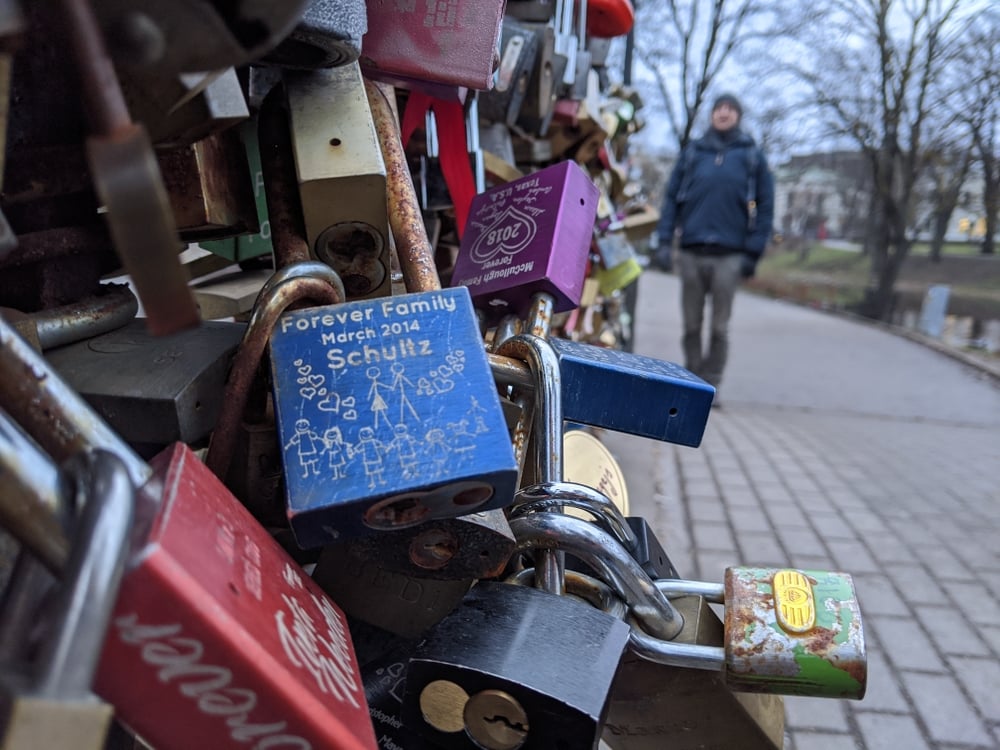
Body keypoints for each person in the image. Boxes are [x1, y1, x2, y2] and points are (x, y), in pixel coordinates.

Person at [651, 93, 774, 395]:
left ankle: (712, 383)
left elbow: (766, 206)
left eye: (730, 109)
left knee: (719, 328)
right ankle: (694, 382)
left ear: (738, 116)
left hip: (730, 255)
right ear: (712, 114)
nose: (724, 113)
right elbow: (671, 199)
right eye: (719, 108)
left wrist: (753, 252)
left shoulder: (751, 156)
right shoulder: (693, 153)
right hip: (691, 250)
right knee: (691, 325)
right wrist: (664, 241)